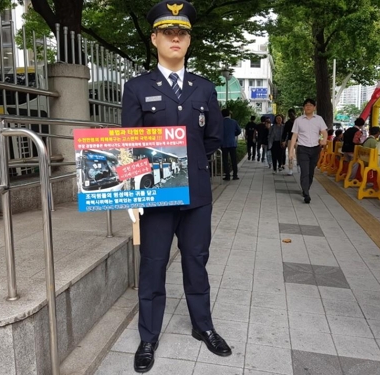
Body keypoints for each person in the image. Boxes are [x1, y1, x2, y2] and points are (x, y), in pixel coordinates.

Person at [121, 1, 231, 372]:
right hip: (156, 194)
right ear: (154, 38)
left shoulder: (204, 88)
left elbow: (213, 138)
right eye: (167, 32)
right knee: (152, 265)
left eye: (181, 32)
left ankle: (203, 326)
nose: (174, 37)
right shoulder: (137, 87)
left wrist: (190, 167)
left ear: (188, 39)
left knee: (196, 262)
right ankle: (148, 336)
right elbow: (128, 145)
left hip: (196, 194)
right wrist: (132, 191)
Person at [289, 98, 328, 203]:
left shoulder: (319, 119)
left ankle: (306, 188)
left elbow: (324, 132)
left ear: (314, 107)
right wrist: (291, 152)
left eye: (311, 105)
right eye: (306, 105)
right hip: (302, 149)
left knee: (310, 172)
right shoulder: (298, 120)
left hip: (315, 149)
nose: (308, 107)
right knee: (305, 171)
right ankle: (306, 193)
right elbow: (294, 136)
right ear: (303, 107)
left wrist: (324, 139)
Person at [221, 108, 241, 180]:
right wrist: (233, 134)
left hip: (224, 143)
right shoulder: (234, 122)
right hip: (232, 143)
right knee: (234, 160)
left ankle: (227, 175)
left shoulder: (220, 122)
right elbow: (239, 131)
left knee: (225, 160)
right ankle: (235, 175)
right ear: (229, 114)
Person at [282, 109, 296, 175]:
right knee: (290, 154)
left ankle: (299, 164)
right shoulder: (287, 123)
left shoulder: (299, 121)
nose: (291, 115)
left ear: (294, 114)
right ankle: (290, 168)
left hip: (300, 140)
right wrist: (284, 140)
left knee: (301, 153)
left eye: (292, 114)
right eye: (290, 114)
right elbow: (285, 132)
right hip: (290, 140)